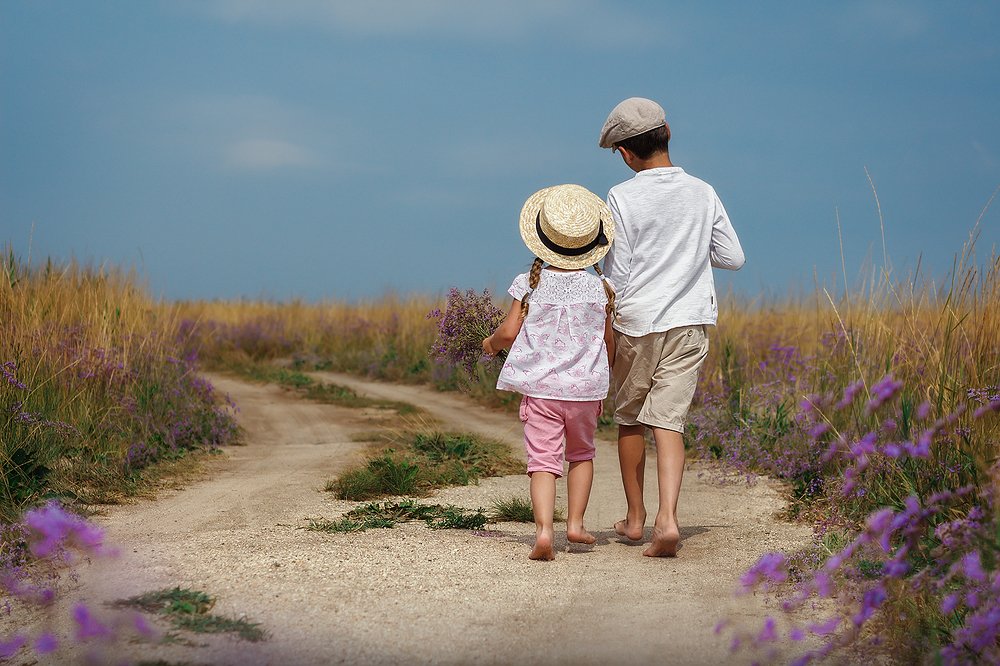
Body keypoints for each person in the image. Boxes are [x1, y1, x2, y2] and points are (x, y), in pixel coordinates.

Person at [598, 97, 745, 557]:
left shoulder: (622, 196)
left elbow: (617, 273)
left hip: (638, 321)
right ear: (667, 135)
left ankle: (636, 518)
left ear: (624, 152)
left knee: (629, 419)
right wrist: (690, 253)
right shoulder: (704, 191)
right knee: (669, 420)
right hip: (690, 320)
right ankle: (669, 519)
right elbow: (732, 258)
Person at [483, 184, 617, 561]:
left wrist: (490, 345)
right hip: (586, 392)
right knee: (582, 455)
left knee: (542, 461)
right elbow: (609, 345)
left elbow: (508, 333)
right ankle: (575, 524)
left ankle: (544, 531)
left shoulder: (527, 284)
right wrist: (601, 383)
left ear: (542, 238)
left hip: (541, 392)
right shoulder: (601, 287)